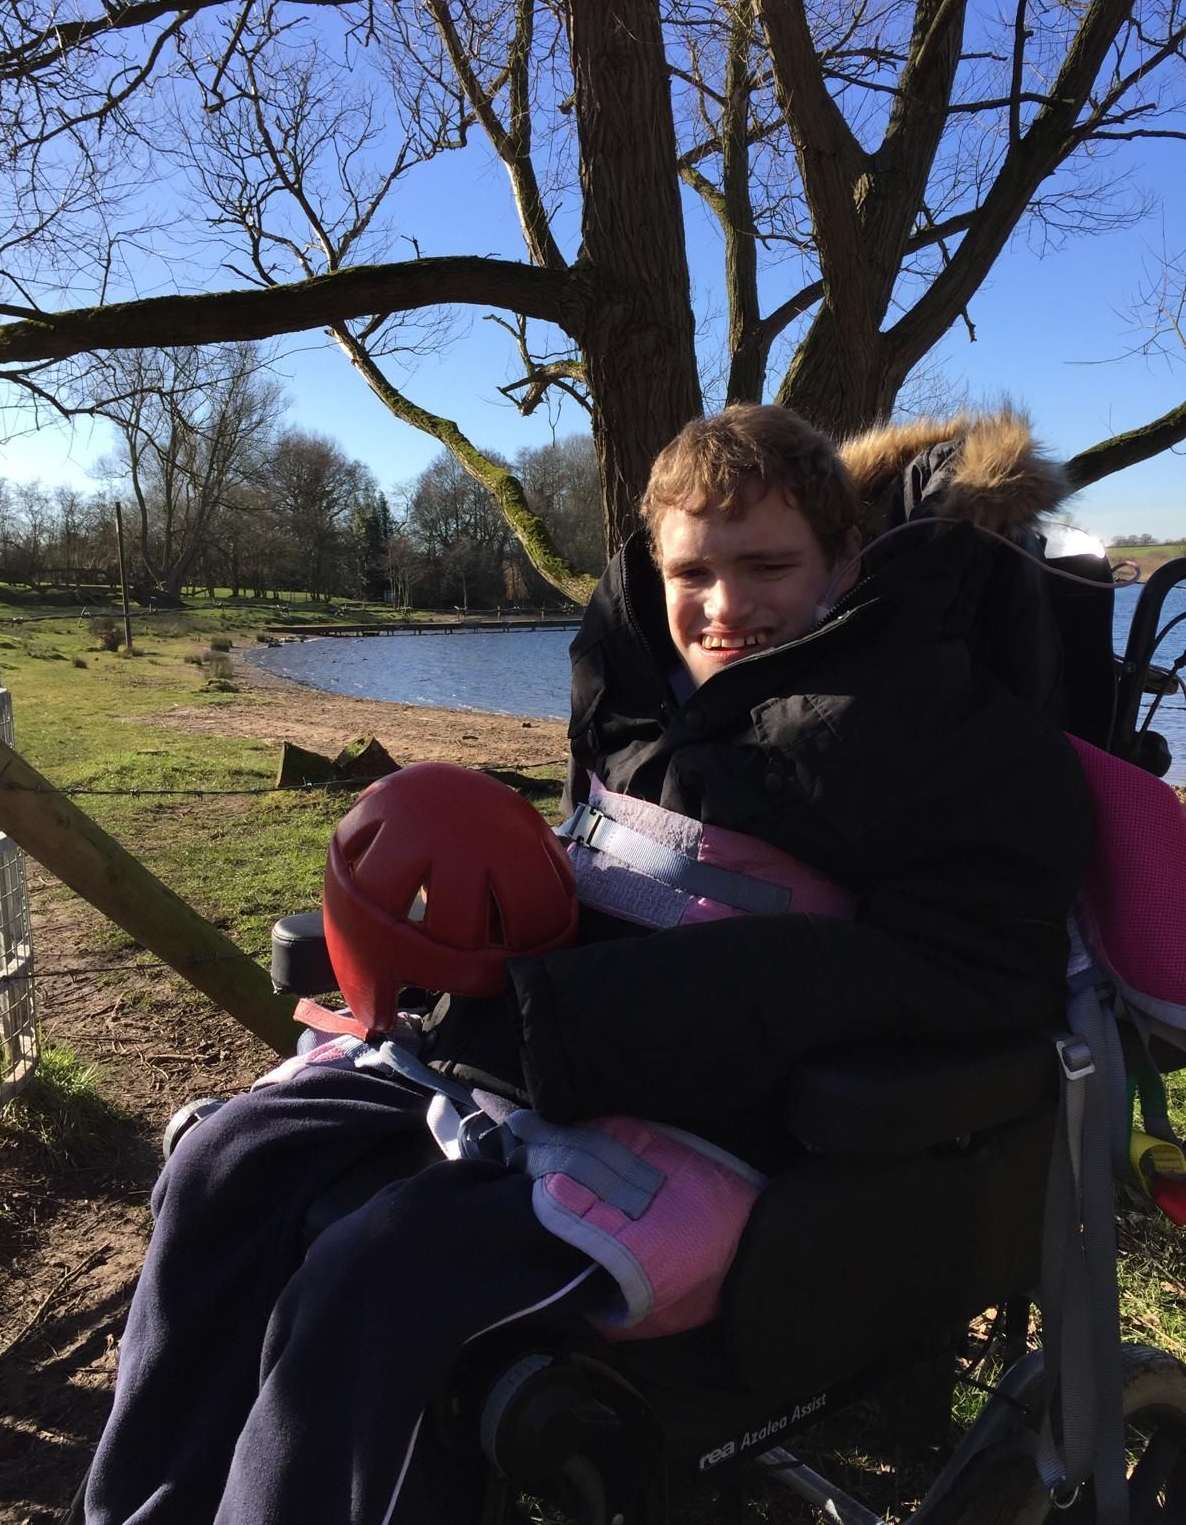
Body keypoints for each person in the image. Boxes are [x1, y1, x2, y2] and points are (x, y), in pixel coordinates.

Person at [78, 404, 1090, 1525]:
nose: (724, 607)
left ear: (846, 557)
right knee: (220, 1164)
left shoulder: (941, 722)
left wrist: (600, 1014)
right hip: (521, 1058)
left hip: (721, 1124)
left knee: (378, 1279)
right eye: (691, 571)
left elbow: (980, 968)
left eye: (768, 567)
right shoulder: (635, 681)